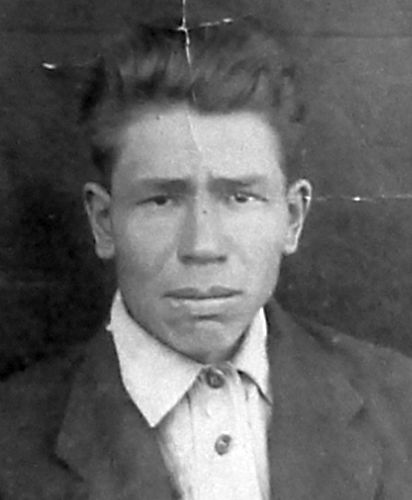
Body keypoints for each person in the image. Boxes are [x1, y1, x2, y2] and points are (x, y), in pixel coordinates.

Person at [1, 17, 412, 500]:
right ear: (104, 222)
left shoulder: (401, 402)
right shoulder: (12, 435)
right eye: (161, 200)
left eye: (240, 197)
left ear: (293, 217)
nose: (202, 246)